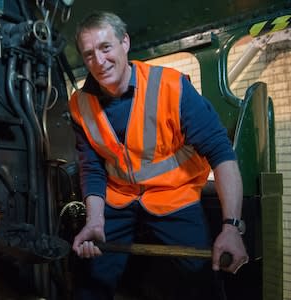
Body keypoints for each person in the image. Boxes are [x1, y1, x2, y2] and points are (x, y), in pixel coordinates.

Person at [68, 11, 249, 300]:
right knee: (90, 279)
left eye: (105, 48)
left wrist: (231, 227)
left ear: (124, 42)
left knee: (201, 280)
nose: (99, 62)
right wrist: (95, 221)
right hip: (118, 198)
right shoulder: (79, 104)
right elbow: (92, 168)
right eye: (89, 55)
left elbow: (221, 153)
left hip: (174, 195)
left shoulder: (171, 87)